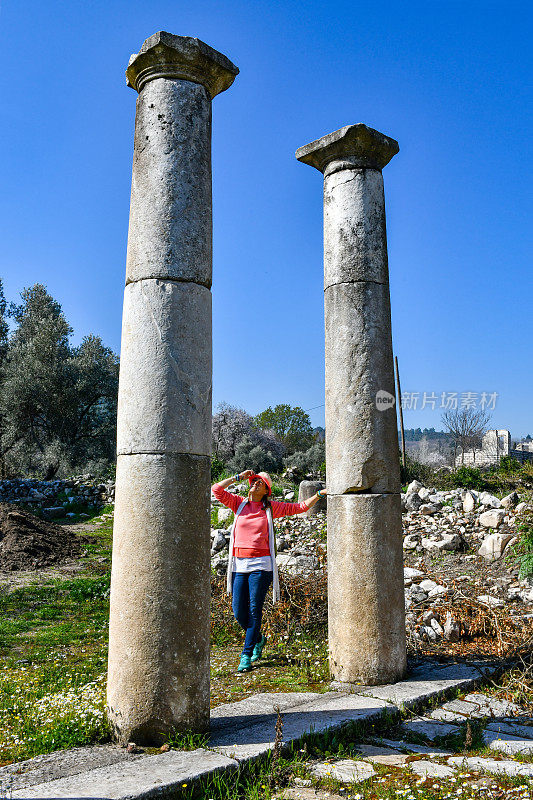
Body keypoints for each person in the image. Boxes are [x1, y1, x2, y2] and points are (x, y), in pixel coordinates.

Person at [211, 469, 326, 673]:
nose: (255, 484)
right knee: (238, 611)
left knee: (255, 609)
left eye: (260, 483)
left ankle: (246, 655)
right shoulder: (239, 504)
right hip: (239, 564)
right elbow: (216, 489)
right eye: (254, 481)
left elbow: (299, 507)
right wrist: (239, 476)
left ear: (266, 491)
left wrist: (318, 494)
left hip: (261, 565)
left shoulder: (272, 508)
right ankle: (258, 638)